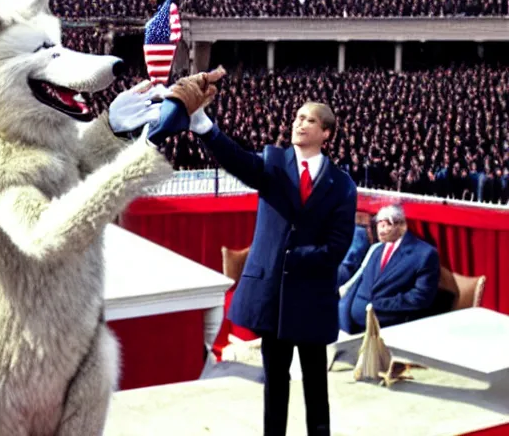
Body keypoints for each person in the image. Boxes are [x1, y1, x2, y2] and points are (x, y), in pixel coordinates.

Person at [148, 70, 357, 436]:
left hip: (311, 297)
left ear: (326, 133)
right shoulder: (274, 163)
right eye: (297, 118)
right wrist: (204, 127)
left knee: (315, 385)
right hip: (272, 299)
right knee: (275, 383)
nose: (299, 124)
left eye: (309, 120)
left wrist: (295, 258)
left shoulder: (342, 184)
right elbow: (238, 160)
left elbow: (338, 244)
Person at [338, 204, 440, 334]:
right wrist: (342, 312)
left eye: (387, 224)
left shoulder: (424, 254)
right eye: (380, 224)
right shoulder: (377, 250)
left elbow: (420, 298)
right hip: (349, 328)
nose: (382, 230)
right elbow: (359, 285)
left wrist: (376, 305)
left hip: (384, 331)